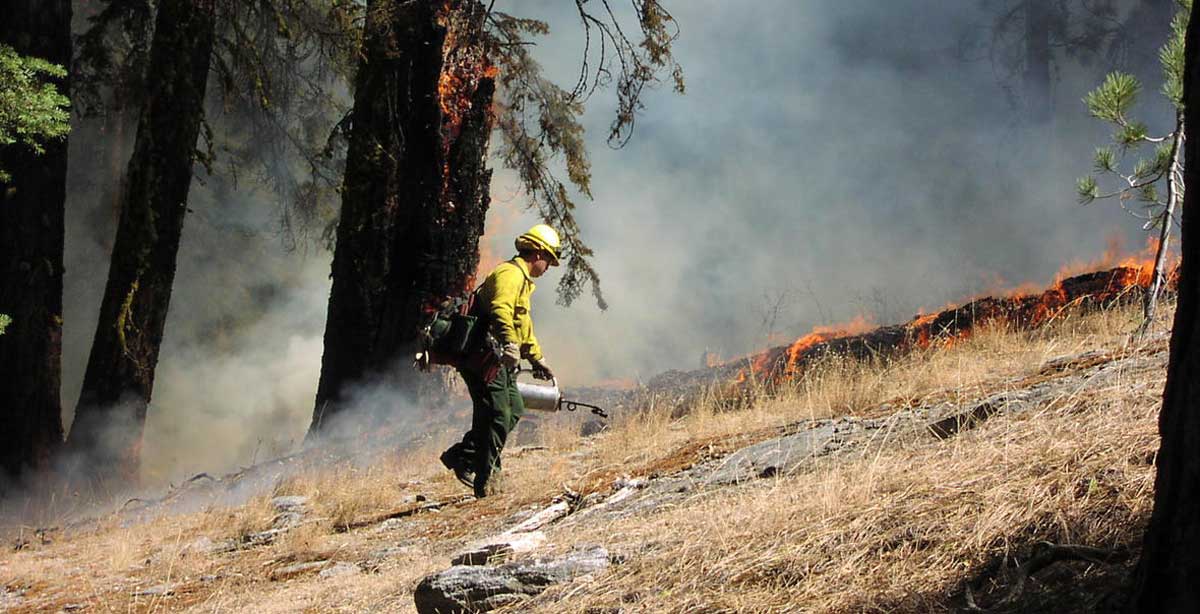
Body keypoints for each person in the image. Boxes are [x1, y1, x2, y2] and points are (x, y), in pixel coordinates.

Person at [440, 224, 559, 498]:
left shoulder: (523, 280)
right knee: (496, 415)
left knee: (513, 407)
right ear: (537, 253)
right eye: (549, 260)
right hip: (482, 356)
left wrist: (536, 357)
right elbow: (501, 311)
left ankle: (464, 455)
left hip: (497, 358)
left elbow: (522, 322)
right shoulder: (510, 274)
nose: (548, 267)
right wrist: (508, 343)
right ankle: (489, 483)